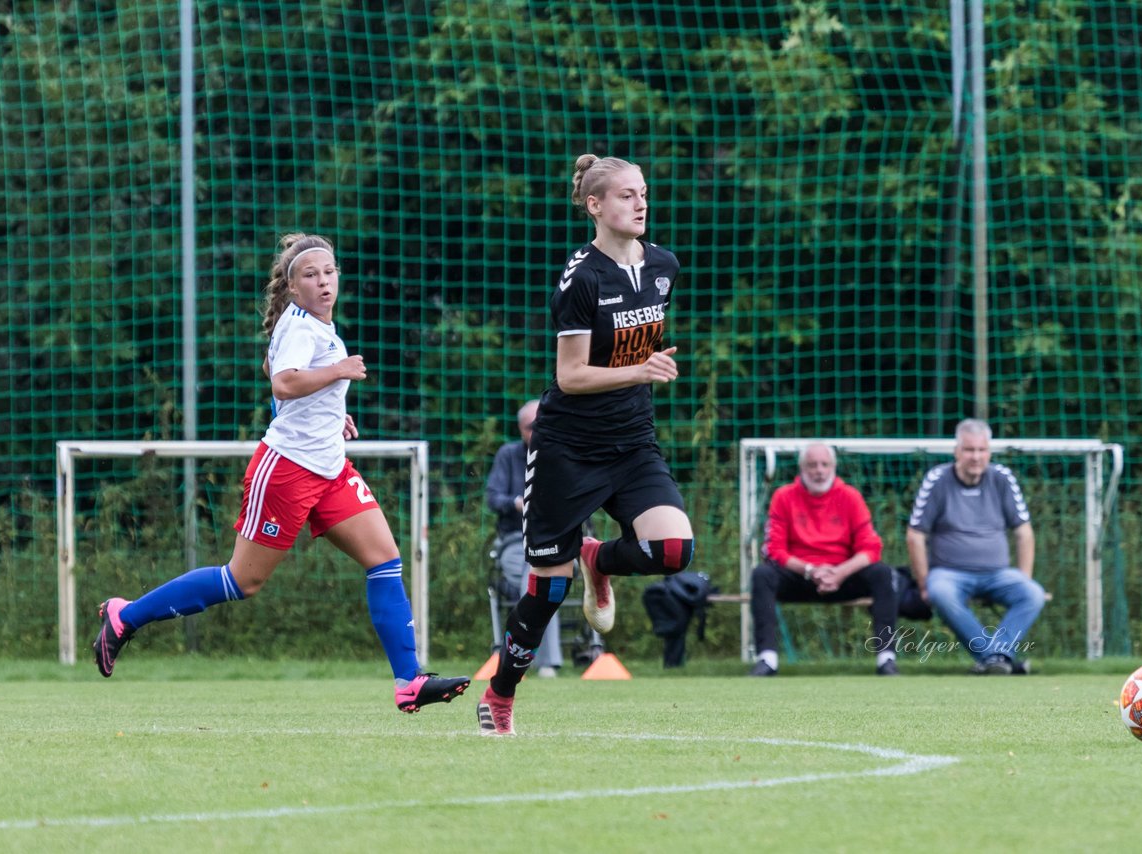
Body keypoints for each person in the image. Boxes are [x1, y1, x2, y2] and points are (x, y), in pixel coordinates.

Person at [92, 233, 470, 712]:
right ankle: (126, 616)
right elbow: (284, 382)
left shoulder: (312, 325)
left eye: (329, 273)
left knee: (385, 559)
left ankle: (409, 681)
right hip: (287, 471)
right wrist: (338, 373)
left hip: (330, 467)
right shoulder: (303, 328)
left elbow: (284, 381)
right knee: (241, 581)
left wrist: (333, 413)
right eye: (310, 276)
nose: (323, 282)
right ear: (294, 288)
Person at [476, 154, 696, 736]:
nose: (641, 203)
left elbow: (633, 360)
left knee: (674, 551)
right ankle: (499, 696)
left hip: (632, 444)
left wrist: (638, 373)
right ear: (595, 206)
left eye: (643, 193)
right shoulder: (581, 276)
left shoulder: (664, 267)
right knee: (548, 587)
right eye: (626, 195)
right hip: (567, 449)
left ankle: (597, 556)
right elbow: (571, 376)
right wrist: (640, 371)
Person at [905, 418, 1046, 675]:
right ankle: (999, 659)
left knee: (1033, 594)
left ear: (989, 452)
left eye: (982, 450)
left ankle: (995, 657)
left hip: (998, 574)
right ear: (957, 451)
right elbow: (915, 536)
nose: (976, 457)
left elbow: (1024, 532)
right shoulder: (937, 480)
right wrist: (924, 583)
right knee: (941, 593)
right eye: (969, 450)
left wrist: (1023, 577)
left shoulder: (1002, 478)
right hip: (949, 573)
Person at [748, 443, 901, 677]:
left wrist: (840, 572)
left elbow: (871, 548)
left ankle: (886, 658)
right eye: (812, 465)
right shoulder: (783, 496)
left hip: (843, 577)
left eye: (824, 464)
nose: (819, 470)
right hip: (800, 576)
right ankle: (767, 659)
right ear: (801, 469)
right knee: (762, 574)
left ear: (833, 467)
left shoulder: (850, 497)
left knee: (883, 573)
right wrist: (810, 570)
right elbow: (773, 549)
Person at [485, 399, 562, 677]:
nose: (539, 431)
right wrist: (518, 503)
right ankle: (545, 663)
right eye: (533, 427)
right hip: (515, 541)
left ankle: (520, 657)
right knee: (539, 578)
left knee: (540, 576)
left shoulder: (562, 455)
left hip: (557, 542)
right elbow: (493, 498)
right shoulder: (507, 455)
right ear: (521, 430)